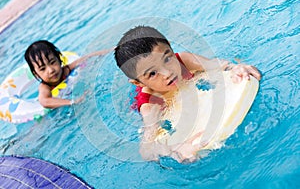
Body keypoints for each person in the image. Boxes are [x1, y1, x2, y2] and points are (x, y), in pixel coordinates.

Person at [114, 26, 261, 162]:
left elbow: (221, 65)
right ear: (139, 83)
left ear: (171, 49)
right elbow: (146, 150)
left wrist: (237, 68)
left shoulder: (185, 60)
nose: (167, 72)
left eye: (167, 59)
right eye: (153, 73)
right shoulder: (150, 105)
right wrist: (175, 149)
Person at [24, 40, 109, 109]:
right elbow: (44, 101)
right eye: (43, 69)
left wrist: (110, 51)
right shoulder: (45, 87)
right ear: (36, 74)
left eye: (53, 62)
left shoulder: (66, 70)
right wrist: (72, 102)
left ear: (59, 59)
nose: (51, 70)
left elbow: (87, 58)